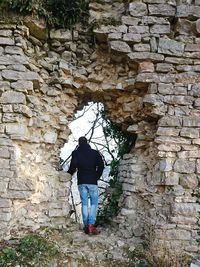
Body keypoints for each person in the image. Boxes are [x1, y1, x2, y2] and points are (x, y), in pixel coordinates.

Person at [67, 136, 104, 235]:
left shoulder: (76, 153)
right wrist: (96, 176)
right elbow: (101, 165)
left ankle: (86, 225)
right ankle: (91, 225)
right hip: (92, 181)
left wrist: (68, 174)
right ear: (87, 143)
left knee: (84, 203)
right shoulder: (95, 153)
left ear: (79, 144)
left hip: (82, 181)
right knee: (93, 203)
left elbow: (73, 167)